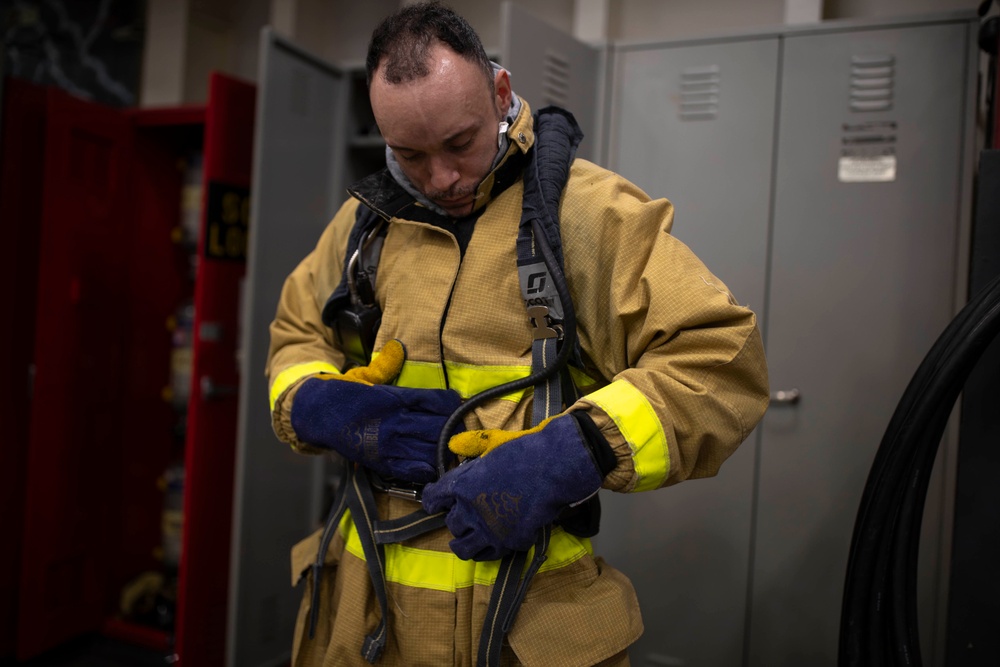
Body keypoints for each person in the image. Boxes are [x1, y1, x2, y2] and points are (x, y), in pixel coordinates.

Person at [266, 3, 769, 666]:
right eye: (409, 154)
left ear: (501, 93)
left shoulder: (585, 213)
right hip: (363, 618)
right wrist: (323, 405)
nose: (440, 178)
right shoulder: (368, 224)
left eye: (459, 143)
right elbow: (295, 333)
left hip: (521, 618)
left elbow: (720, 361)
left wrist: (577, 449)